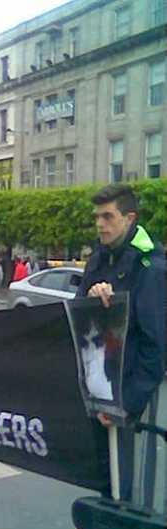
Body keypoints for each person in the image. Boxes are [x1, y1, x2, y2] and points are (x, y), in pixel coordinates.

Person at [76, 184, 165, 505]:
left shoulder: (151, 268)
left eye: (107, 216)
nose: (100, 224)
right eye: (97, 217)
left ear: (129, 218)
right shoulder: (98, 258)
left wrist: (124, 405)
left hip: (126, 402)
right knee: (105, 482)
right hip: (97, 392)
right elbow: (77, 314)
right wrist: (89, 299)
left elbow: (156, 349)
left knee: (126, 490)